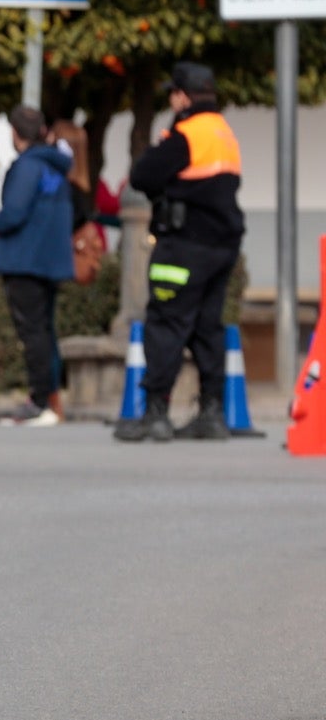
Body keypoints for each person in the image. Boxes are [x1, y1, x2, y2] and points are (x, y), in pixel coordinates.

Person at [115, 62, 244, 443]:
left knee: (167, 322)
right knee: (207, 327)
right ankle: (212, 412)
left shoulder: (185, 134)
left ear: (182, 96)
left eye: (173, 93)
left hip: (184, 244)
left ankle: (156, 411)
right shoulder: (224, 132)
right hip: (223, 245)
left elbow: (142, 176)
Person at [0, 106, 74, 427]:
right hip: (51, 259)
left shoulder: (27, 167)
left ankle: (38, 402)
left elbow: (14, 213)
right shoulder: (57, 168)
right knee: (45, 330)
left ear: (15, 133)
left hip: (24, 259)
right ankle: (51, 400)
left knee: (32, 332)